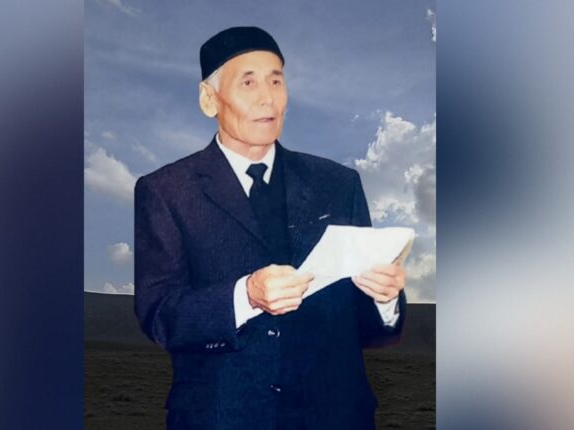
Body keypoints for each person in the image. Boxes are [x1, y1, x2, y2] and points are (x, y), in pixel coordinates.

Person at [134, 26, 407, 430]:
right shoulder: (166, 191)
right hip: (221, 419)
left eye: (276, 81)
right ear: (209, 99)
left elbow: (368, 330)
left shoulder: (338, 184)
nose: (268, 98)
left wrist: (384, 299)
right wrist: (245, 295)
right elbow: (160, 315)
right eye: (248, 82)